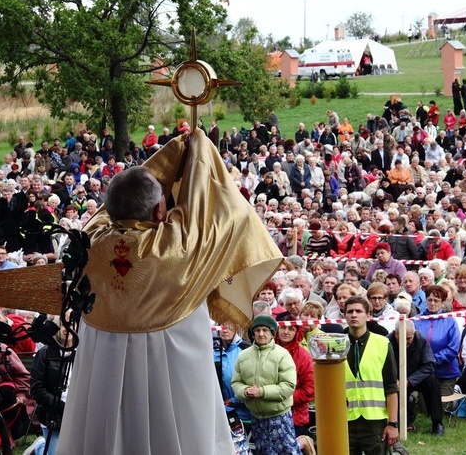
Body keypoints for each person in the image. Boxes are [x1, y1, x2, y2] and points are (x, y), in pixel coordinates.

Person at [58, 130, 282, 454]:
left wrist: (171, 157)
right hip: (175, 373)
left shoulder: (86, 244)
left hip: (102, 365)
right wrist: (195, 151)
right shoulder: (178, 247)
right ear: (160, 211)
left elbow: (115, 204)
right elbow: (230, 213)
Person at [232, 315, 302, 455]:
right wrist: (245, 391)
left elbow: (288, 386)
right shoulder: (243, 356)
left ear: (272, 333)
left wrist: (262, 392)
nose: (261, 334)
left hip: (279, 417)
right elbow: (236, 382)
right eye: (257, 330)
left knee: (288, 452)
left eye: (265, 330)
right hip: (257, 418)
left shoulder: (282, 355)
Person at [344, 296, 399, 454]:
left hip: (375, 422)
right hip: (345, 420)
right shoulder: (337, 345)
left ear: (368, 315)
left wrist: (393, 423)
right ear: (344, 315)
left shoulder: (382, 343)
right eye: (350, 311)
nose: (354, 315)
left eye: (358, 311)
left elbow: (391, 386)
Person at [28, 317, 75, 455]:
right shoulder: (45, 353)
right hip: (53, 415)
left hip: (76, 413)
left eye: (71, 323)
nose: (67, 327)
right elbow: (36, 390)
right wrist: (61, 406)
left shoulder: (83, 353)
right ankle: (40, 448)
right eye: (63, 323)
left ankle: (42, 447)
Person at [389, 321, 445, 436]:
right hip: (396, 380)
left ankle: (437, 423)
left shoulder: (420, 339)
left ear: (414, 333)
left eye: (408, 338)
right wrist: (393, 380)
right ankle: (401, 419)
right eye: (401, 338)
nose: (405, 342)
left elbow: (429, 364)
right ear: (395, 334)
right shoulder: (387, 342)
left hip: (416, 377)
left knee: (432, 382)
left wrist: (410, 381)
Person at [275, 315, 316, 454]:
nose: (286, 332)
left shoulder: (304, 356)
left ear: (297, 332)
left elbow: (309, 390)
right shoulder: (268, 352)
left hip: (295, 417)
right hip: (271, 415)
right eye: (283, 328)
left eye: (291, 329)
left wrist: (283, 398)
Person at [413, 286, 461, 399]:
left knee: (444, 407)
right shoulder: (416, 320)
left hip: (445, 372)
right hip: (422, 372)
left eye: (436, 300)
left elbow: (453, 348)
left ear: (443, 303)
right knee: (424, 409)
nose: (432, 303)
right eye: (430, 300)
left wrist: (433, 360)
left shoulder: (450, 321)